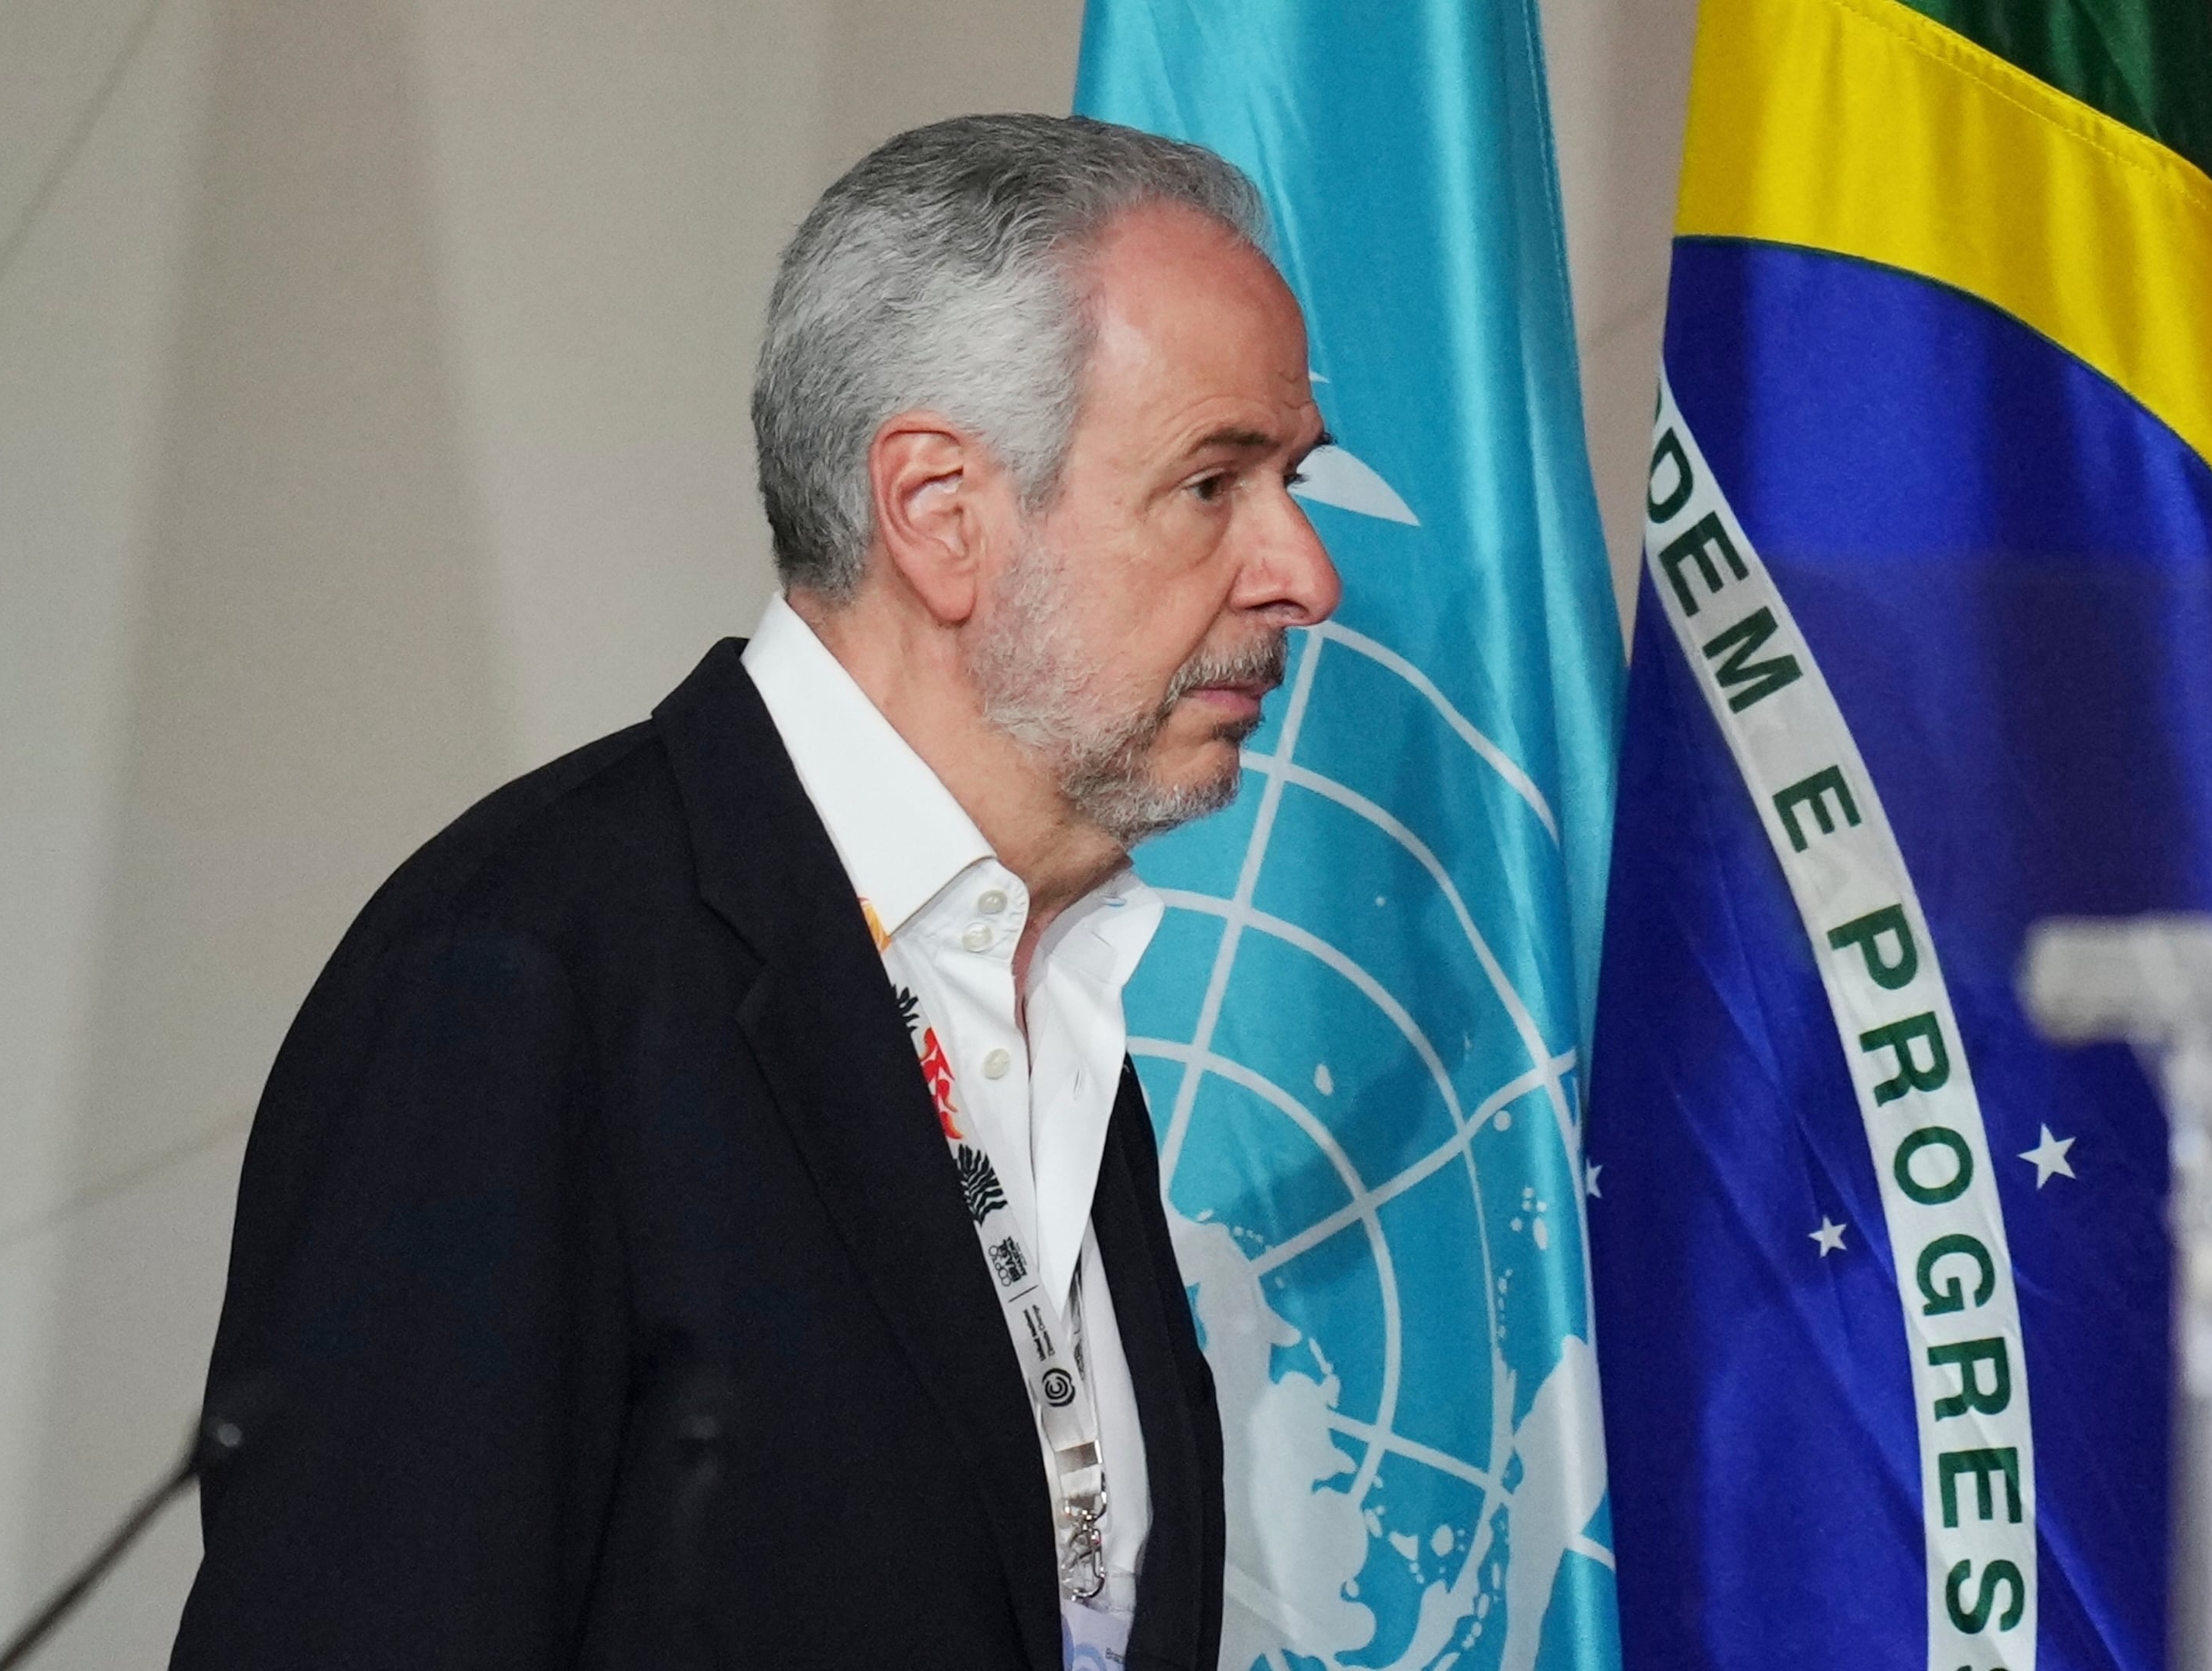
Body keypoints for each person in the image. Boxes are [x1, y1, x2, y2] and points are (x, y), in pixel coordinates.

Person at [169, 113, 1339, 1671]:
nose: (1305, 572)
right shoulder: (522, 978)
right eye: (1216, 483)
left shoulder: (1046, 974)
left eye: (1293, 481)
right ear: (937, 511)